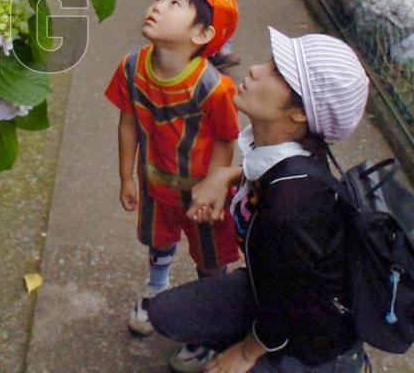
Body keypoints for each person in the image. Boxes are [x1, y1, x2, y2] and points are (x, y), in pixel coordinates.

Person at [147, 28, 371, 372]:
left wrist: (248, 352)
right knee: (165, 314)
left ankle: (332, 365)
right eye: (270, 63)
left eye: (278, 74)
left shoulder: (291, 209)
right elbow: (268, 175)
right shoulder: (287, 157)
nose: (254, 69)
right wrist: (226, 175)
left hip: (311, 330)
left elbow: (290, 302)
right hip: (273, 288)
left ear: (299, 114)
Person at [105, 0, 242, 373]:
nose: (158, 5)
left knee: (209, 258)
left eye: (176, 3)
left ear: (202, 34)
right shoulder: (132, 68)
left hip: (201, 193)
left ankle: (209, 327)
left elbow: (225, 139)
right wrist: (127, 176)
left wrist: (217, 186)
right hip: (155, 181)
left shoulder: (212, 88)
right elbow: (128, 123)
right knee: (158, 239)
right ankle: (157, 288)